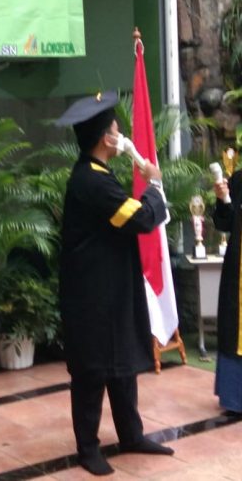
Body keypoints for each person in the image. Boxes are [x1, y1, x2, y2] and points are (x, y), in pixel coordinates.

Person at [56, 91, 174, 476]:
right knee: (92, 370)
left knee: (121, 363)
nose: (122, 133)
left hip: (112, 288)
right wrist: (153, 187)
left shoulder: (99, 173)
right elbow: (139, 218)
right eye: (116, 128)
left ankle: (131, 435)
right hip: (91, 294)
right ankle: (87, 448)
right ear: (106, 139)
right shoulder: (92, 181)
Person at [213, 169, 242, 414]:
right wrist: (223, 198)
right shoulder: (239, 179)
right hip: (238, 268)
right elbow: (224, 222)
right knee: (234, 328)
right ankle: (235, 398)